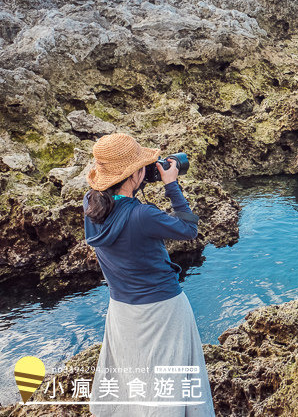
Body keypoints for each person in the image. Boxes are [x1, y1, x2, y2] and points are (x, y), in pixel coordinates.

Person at [83, 133, 214, 417]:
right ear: (134, 173)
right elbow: (190, 229)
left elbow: (116, 200)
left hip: (122, 311)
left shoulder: (90, 207)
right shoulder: (143, 216)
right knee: (169, 383)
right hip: (163, 311)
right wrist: (171, 185)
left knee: (133, 380)